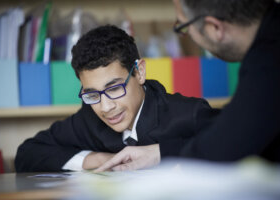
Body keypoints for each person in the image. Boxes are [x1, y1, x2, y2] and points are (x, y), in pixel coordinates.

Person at [95, 0, 280, 172]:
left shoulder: (274, 56)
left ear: (215, 28)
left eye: (183, 26)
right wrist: (161, 152)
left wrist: (167, 154)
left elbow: (232, 142)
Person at [15, 25, 218, 172]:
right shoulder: (89, 118)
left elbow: (241, 147)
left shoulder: (189, 113)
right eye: (92, 93)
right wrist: (95, 159)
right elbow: (27, 153)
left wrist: (162, 153)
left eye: (114, 88)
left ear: (139, 72)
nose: (105, 107)